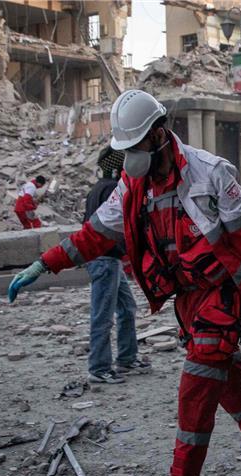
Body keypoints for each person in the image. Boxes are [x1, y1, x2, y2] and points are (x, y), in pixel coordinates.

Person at [7, 90, 241, 476]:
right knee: (227, 383)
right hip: (187, 301)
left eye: (134, 148)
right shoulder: (130, 186)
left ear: (159, 135)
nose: (129, 158)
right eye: (125, 150)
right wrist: (44, 264)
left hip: (222, 294)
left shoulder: (212, 172)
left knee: (195, 388)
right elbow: (94, 235)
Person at [84, 146, 151, 384]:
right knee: (103, 315)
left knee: (126, 308)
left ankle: (126, 358)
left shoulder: (97, 188)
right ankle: (99, 368)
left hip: (107, 260)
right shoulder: (112, 189)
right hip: (104, 260)